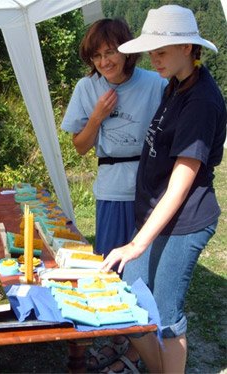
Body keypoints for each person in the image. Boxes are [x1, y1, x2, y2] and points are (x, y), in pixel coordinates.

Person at [101, 5, 226, 374]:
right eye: (151, 51)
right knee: (133, 301)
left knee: (167, 314)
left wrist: (137, 242)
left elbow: (182, 180)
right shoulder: (177, 84)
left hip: (186, 220)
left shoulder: (201, 101)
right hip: (158, 214)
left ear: (188, 47)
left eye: (161, 51)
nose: (153, 59)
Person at [61, 18, 167, 372]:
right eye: (96, 56)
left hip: (150, 189)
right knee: (110, 273)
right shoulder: (86, 89)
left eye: (111, 52)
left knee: (143, 275)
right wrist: (96, 118)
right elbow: (79, 147)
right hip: (110, 189)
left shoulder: (154, 83)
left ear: (126, 51)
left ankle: (139, 351)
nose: (104, 62)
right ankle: (118, 339)